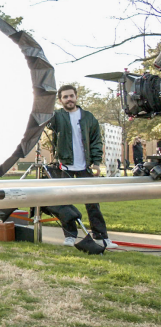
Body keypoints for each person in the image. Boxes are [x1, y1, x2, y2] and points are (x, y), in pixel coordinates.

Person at [47, 84, 117, 249]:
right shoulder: (56, 116)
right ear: (60, 100)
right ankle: (70, 236)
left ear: (76, 97)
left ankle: (101, 236)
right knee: (65, 203)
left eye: (71, 96)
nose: (69, 99)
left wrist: (97, 162)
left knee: (93, 202)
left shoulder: (88, 117)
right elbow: (44, 121)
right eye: (65, 97)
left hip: (85, 166)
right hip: (65, 166)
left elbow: (96, 141)